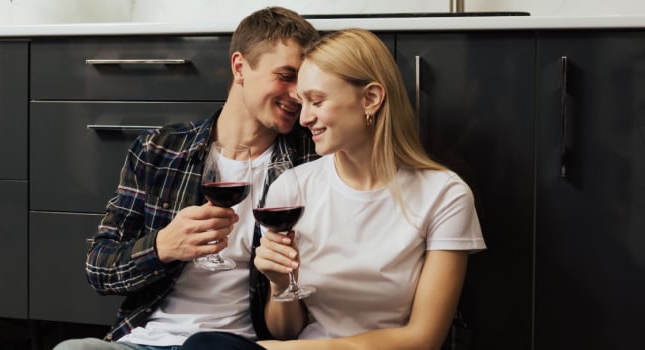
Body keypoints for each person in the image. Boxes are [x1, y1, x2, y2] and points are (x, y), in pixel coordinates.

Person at [182, 28, 486, 350]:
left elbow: (423, 339)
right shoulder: (293, 186)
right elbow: (285, 331)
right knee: (205, 344)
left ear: (370, 98)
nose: (304, 119)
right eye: (303, 103)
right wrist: (280, 283)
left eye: (317, 101)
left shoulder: (444, 195)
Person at [53, 7, 320, 350]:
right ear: (240, 67)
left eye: (305, 82)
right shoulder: (159, 149)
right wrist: (163, 246)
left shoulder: (308, 162)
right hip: (142, 340)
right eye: (286, 75)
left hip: (236, 343)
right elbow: (99, 268)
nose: (298, 94)